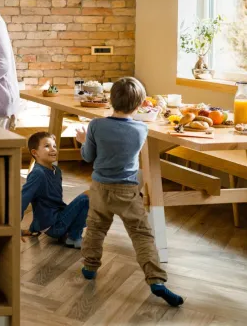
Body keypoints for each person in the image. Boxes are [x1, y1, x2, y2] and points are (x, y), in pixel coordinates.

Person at [75, 77, 184, 307]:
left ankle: (89, 267)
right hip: (127, 191)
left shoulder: (96, 125)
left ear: (111, 100)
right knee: (141, 235)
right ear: (140, 104)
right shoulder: (141, 129)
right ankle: (156, 280)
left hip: (100, 189)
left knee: (95, 227)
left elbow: (88, 157)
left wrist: (83, 141)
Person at [21, 131, 89, 248]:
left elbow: (46, 201)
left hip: (57, 217)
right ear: (34, 152)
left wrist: (33, 228)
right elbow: (23, 199)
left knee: (90, 200)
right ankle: (73, 237)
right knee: (88, 196)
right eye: (47, 146)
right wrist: (15, 227)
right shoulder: (38, 174)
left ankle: (69, 234)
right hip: (53, 225)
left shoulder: (56, 171)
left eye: (54, 146)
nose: (53, 149)